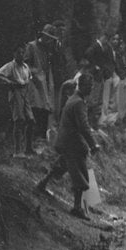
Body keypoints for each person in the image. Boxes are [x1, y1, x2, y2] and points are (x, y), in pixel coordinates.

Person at [42, 73, 100, 220]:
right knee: (80, 174)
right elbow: (83, 126)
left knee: (62, 164)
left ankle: (42, 184)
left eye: (92, 86)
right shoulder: (78, 102)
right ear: (82, 85)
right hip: (72, 143)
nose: (91, 89)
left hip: (66, 140)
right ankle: (77, 207)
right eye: (89, 86)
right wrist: (93, 144)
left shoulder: (74, 99)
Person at [0, 44, 34, 157]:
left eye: (22, 52)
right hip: (15, 91)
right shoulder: (10, 66)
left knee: (31, 120)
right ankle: (18, 151)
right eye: (18, 53)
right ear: (14, 54)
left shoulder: (25, 66)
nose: (21, 55)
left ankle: (28, 148)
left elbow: (29, 78)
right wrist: (9, 82)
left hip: (25, 92)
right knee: (19, 120)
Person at [25, 24, 59, 146]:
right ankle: (33, 140)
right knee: (36, 109)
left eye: (51, 39)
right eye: (48, 38)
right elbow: (25, 65)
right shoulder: (32, 46)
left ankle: (42, 138)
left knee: (46, 108)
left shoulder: (48, 49)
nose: (49, 41)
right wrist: (35, 72)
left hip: (45, 82)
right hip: (34, 83)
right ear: (43, 36)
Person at [83, 33, 116, 127]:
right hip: (95, 75)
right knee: (93, 99)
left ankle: (94, 121)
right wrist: (95, 66)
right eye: (105, 38)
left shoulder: (102, 47)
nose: (106, 40)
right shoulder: (96, 46)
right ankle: (89, 122)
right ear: (102, 37)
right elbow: (87, 54)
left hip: (99, 76)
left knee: (97, 99)